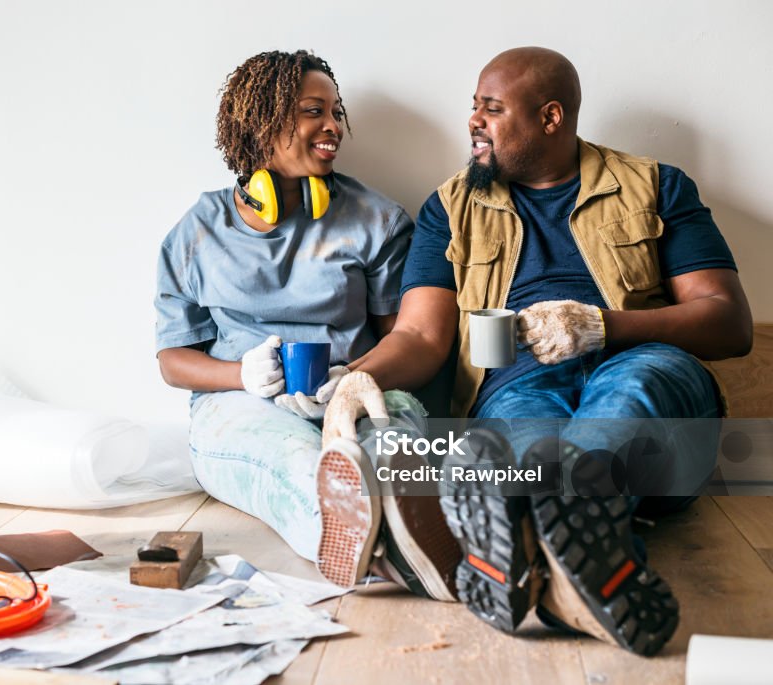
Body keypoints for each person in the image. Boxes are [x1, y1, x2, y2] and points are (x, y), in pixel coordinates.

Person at [322, 46, 752, 656]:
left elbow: (729, 322)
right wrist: (355, 380)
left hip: (646, 363)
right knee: (516, 448)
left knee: (627, 396)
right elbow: (420, 336)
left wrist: (604, 328)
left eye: (492, 110)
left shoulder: (656, 185)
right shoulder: (450, 209)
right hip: (517, 385)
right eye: (473, 107)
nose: (474, 121)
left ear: (551, 118)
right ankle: (579, 566)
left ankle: (533, 542)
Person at [154, 50, 461, 597]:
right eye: (312, 112)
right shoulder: (196, 232)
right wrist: (241, 377)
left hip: (361, 388)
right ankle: (381, 548)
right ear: (261, 121)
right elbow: (173, 362)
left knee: (391, 444)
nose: (333, 127)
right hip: (242, 408)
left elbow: (407, 339)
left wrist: (354, 382)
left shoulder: (376, 219)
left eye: (336, 112)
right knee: (295, 461)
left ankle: (408, 537)